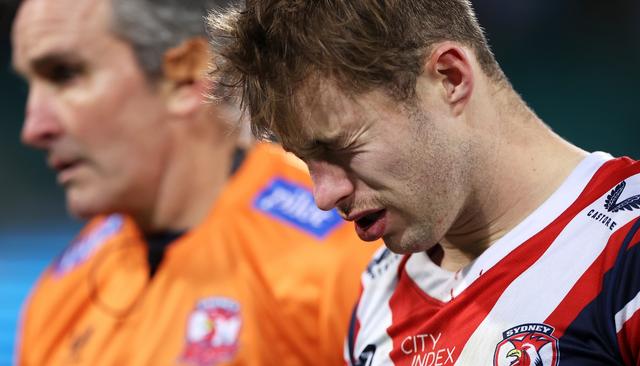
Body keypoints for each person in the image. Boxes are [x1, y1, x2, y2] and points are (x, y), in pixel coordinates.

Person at [209, 1, 640, 365]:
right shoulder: (375, 301)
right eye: (306, 160)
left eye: (338, 147)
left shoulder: (635, 247)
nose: (324, 196)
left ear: (450, 77)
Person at [11, 0, 380, 364]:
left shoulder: (344, 259)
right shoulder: (58, 296)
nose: (33, 128)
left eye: (64, 74)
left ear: (185, 77)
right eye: (30, 85)